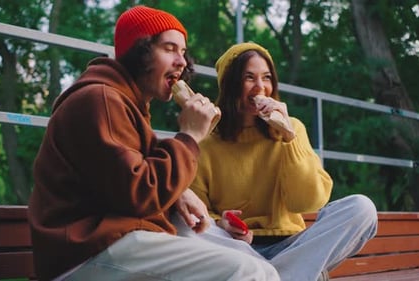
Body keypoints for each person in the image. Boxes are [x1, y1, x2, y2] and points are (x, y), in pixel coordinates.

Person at [28, 6, 279, 281]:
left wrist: (187, 203)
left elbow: (122, 183)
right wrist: (189, 137)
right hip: (83, 254)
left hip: (113, 242)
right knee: (248, 272)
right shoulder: (100, 99)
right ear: (139, 52)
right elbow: (138, 193)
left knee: (260, 266)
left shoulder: (126, 104)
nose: (182, 62)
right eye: (169, 48)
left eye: (183, 52)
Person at [187, 42, 378, 281]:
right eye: (249, 77)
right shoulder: (206, 142)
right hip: (238, 250)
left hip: (292, 246)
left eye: (266, 78)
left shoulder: (293, 129)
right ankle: (298, 273)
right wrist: (221, 223)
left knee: (362, 208)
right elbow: (195, 213)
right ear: (229, 84)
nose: (260, 87)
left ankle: (277, 275)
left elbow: (308, 202)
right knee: (190, 230)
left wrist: (288, 136)